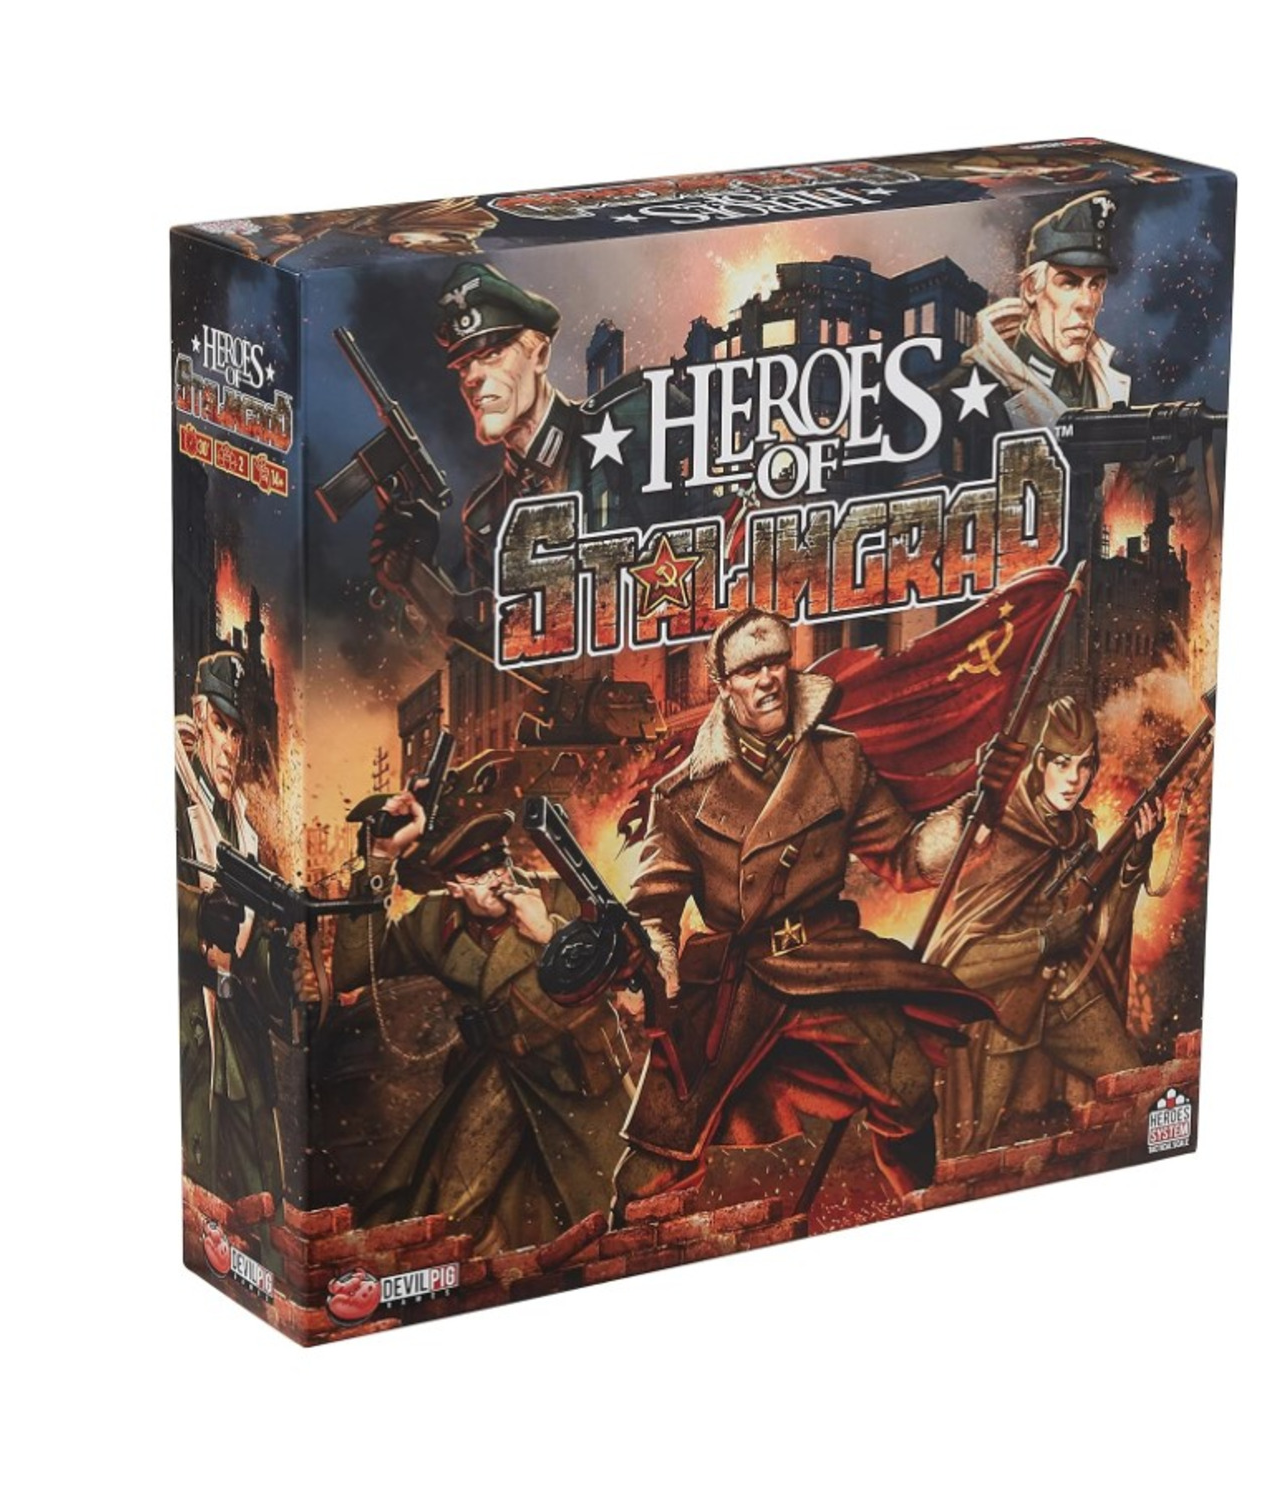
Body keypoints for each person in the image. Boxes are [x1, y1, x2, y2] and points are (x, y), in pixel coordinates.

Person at [611, 608, 1023, 1211]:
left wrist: (972, 816)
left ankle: (922, 1210)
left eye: (777, 662)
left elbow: (904, 856)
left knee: (908, 1087)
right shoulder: (682, 795)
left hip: (828, 959)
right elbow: (655, 903)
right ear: (724, 686)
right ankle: (618, 1239)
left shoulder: (838, 758)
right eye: (750, 670)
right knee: (661, 1146)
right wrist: (658, 959)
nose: (768, 679)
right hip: (734, 980)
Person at [331, 797, 634, 1253]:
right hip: (503, 1073)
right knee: (454, 1204)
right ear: (452, 886)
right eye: (476, 875)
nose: (496, 880)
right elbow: (355, 968)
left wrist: (551, 934)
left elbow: (627, 966)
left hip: (580, 1077)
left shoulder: (561, 894)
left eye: (499, 865)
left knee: (619, 1202)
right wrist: (380, 860)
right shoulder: (434, 922)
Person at [931, 697, 1162, 1152]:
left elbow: (1103, 933)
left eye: (1084, 765)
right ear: (1040, 764)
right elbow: (959, 962)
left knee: (1138, 1090)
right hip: (1002, 1012)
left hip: (1067, 994)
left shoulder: (1082, 833)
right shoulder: (1000, 833)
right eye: (1062, 763)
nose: (1074, 779)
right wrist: (1042, 941)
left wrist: (1135, 859)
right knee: (970, 1146)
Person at [370, 261, 673, 590]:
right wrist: (419, 573)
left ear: (539, 356)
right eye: (463, 365)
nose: (472, 377)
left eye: (493, 354)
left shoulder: (636, 411)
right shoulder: (485, 517)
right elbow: (494, 621)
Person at [175, 651, 290, 1209]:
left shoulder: (242, 824)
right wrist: (196, 914)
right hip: (188, 1026)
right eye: (221, 726)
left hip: (235, 1032)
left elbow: (252, 942)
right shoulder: (171, 793)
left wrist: (275, 956)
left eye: (237, 732)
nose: (229, 747)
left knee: (259, 1191)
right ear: (199, 718)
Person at [939, 191, 1131, 477]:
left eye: (1096, 284)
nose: (1087, 302)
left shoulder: (1109, 382)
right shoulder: (969, 388)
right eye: (1069, 283)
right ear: (1031, 288)